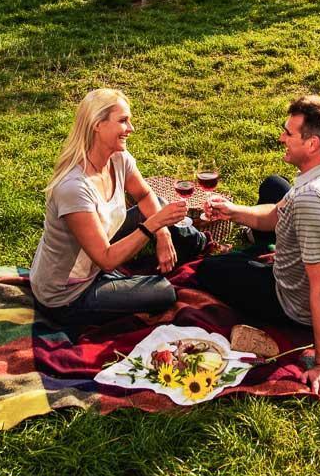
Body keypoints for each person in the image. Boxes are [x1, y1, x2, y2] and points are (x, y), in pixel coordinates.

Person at [199, 95, 320, 400]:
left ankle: (259, 251)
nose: (281, 138)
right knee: (274, 185)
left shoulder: (312, 201)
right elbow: (276, 213)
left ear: (312, 144)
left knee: (209, 269)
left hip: (297, 302)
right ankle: (263, 242)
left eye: (289, 133)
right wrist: (232, 211)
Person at [30, 88, 204, 326]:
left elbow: (144, 195)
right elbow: (107, 260)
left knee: (158, 206)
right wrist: (153, 225)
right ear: (97, 125)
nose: (131, 129)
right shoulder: (73, 188)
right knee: (164, 292)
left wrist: (162, 234)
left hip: (98, 255)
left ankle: (197, 243)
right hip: (66, 295)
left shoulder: (118, 158)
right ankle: (189, 247)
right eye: (123, 121)